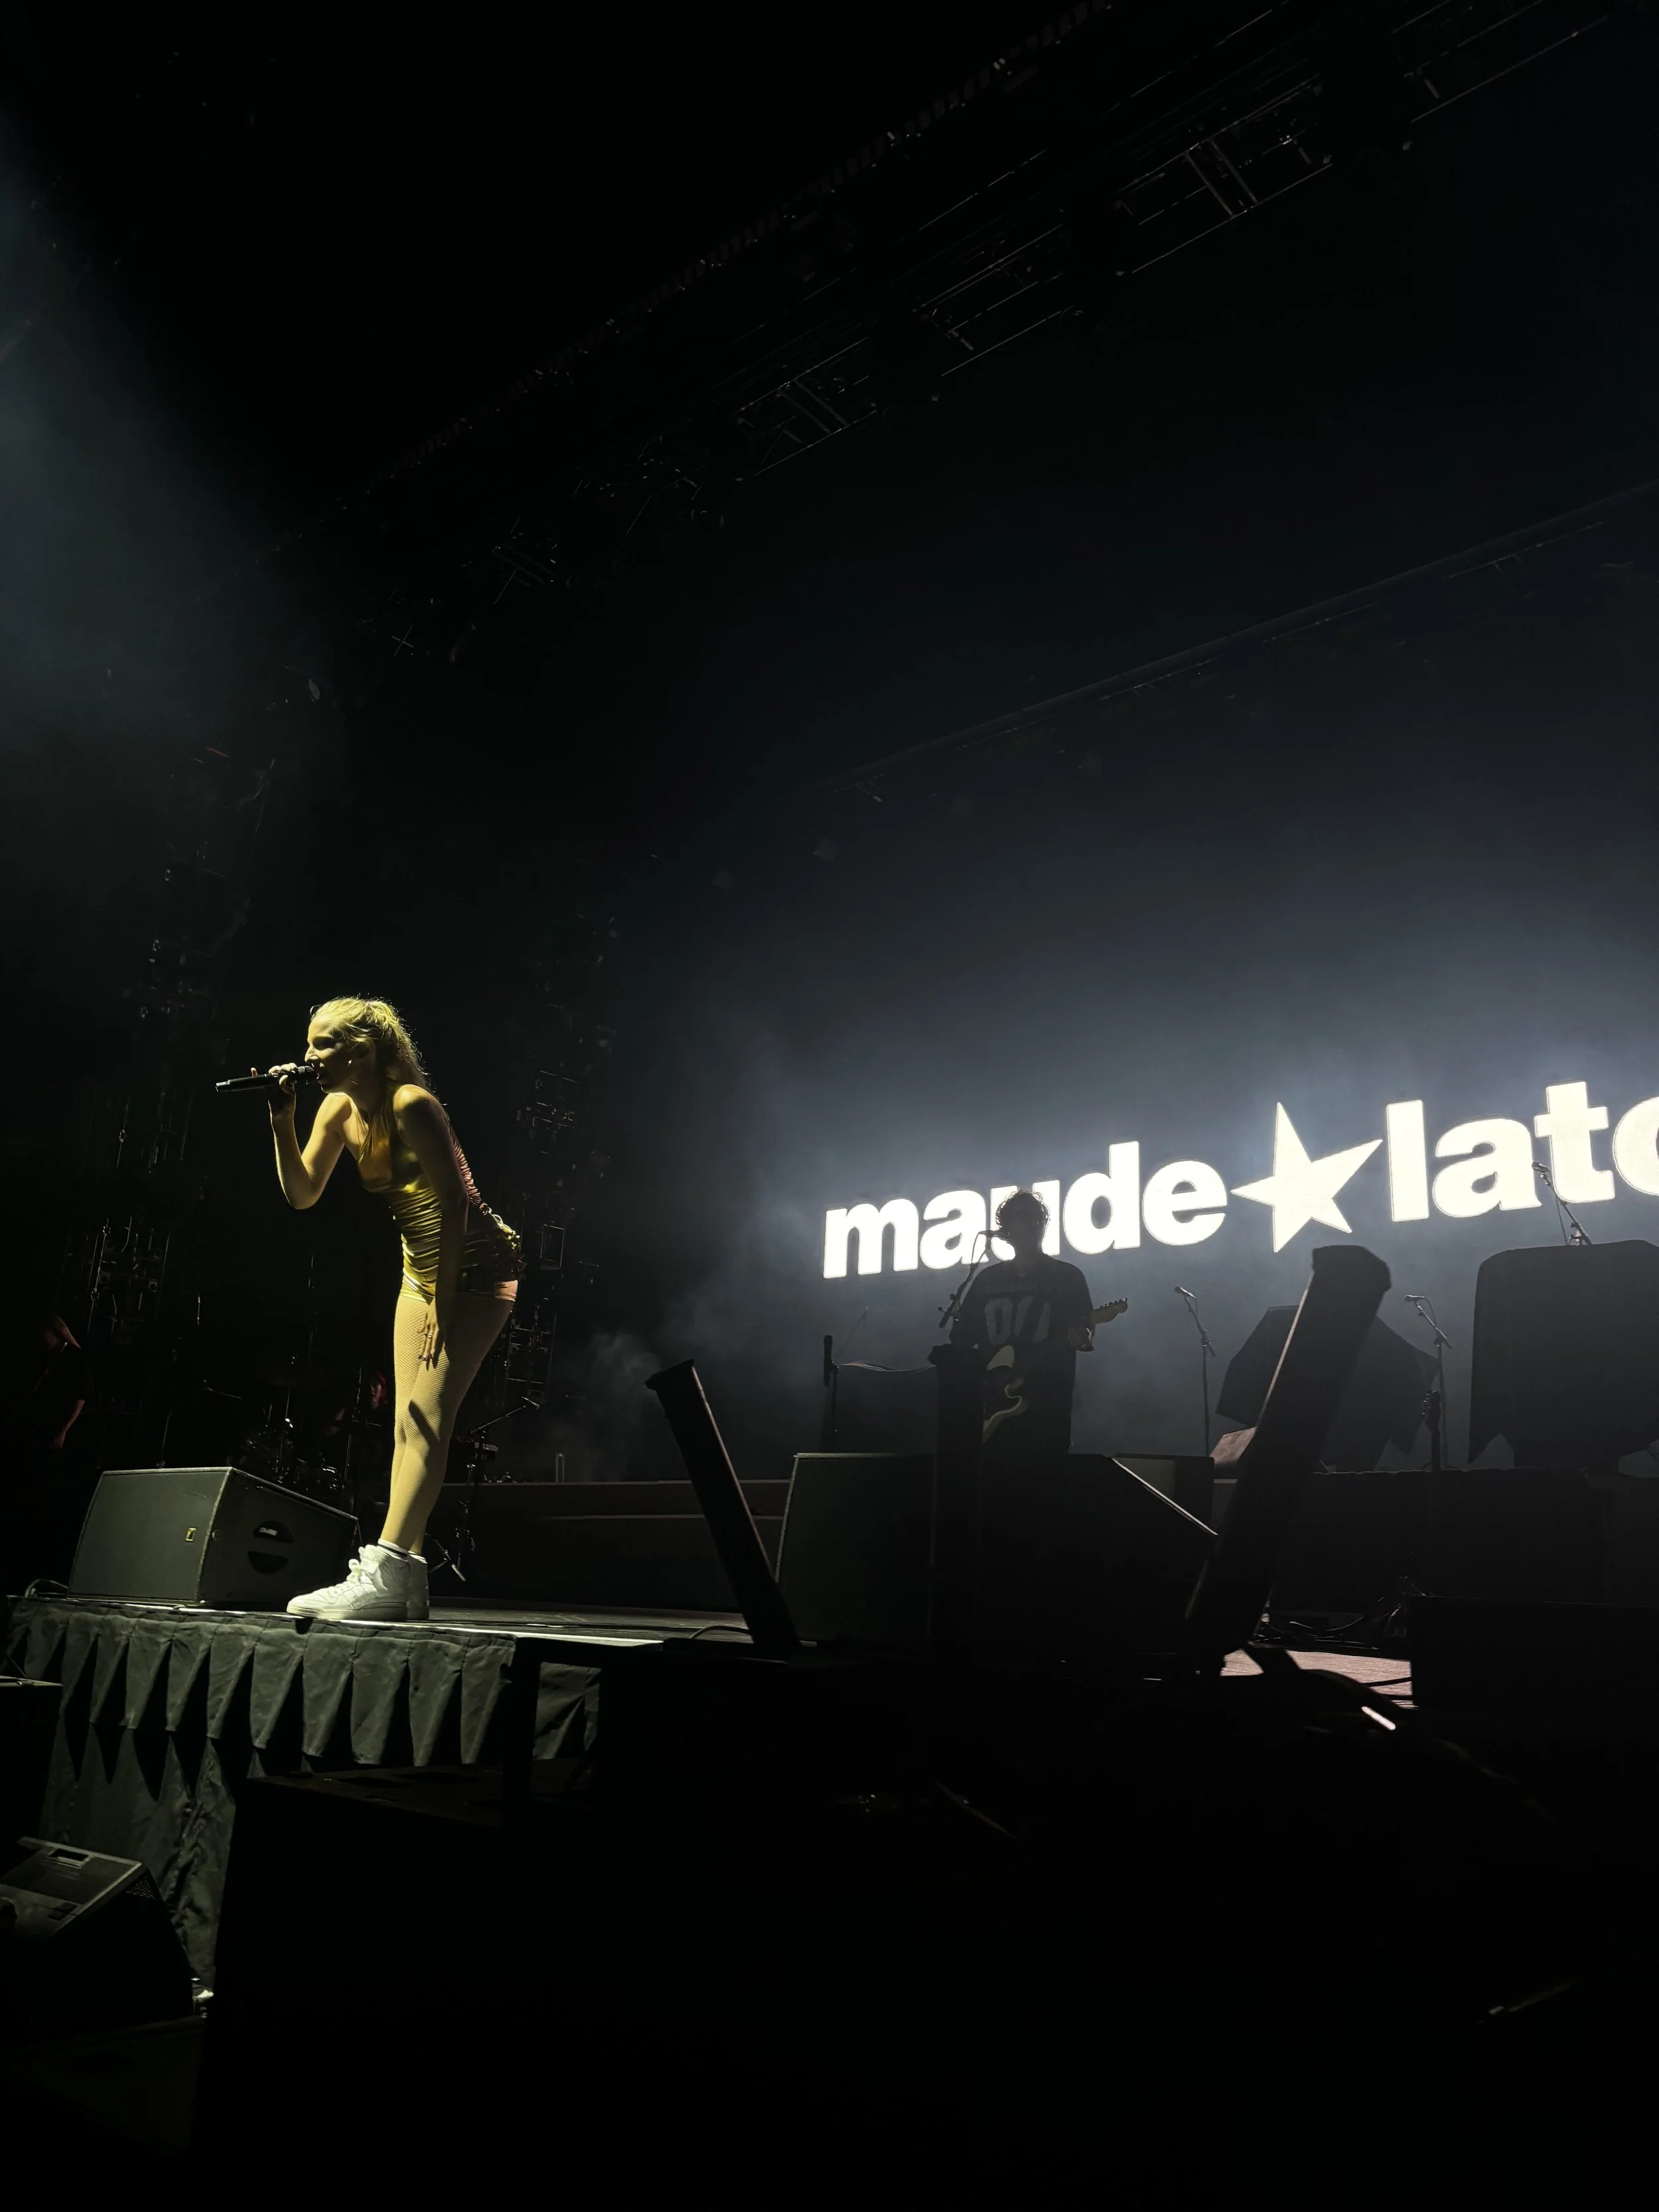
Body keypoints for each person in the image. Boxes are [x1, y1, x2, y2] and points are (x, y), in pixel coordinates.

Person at [260, 997, 519, 1621]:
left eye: (323, 1044)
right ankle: (405, 1582)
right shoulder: (337, 1108)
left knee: (428, 1418)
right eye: (308, 1043)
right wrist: (281, 1119)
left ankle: (385, 1567)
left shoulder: (411, 1104)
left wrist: (444, 1301)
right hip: (418, 1270)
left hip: (476, 1268)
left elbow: (456, 1202)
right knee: (406, 1422)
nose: (308, 1056)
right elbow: (302, 1193)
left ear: (363, 1051)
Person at [949, 1189, 1096, 1453]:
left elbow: (1085, 1330)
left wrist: (1082, 1338)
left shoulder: (1068, 1277)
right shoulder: (987, 1279)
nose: (1033, 1223)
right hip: (993, 1402)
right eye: (1023, 1217)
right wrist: (961, 1320)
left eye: (1037, 1217)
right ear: (1007, 1229)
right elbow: (962, 1339)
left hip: (1047, 1404)